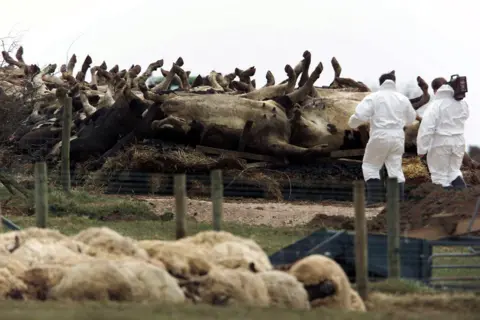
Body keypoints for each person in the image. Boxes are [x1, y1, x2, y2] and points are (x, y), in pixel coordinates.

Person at [348, 72, 417, 205]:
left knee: (370, 166)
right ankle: (398, 202)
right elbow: (411, 119)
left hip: (380, 135)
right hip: (398, 137)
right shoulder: (403, 99)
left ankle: (374, 199)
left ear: (381, 83)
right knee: (395, 169)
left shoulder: (374, 97)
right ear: (394, 82)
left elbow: (360, 115)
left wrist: (352, 124)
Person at [416, 79, 470, 189]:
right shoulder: (462, 103)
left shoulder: (435, 105)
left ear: (435, 90)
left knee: (439, 177)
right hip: (459, 142)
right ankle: (461, 197)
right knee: (454, 171)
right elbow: (466, 116)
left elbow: (426, 129)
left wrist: (422, 149)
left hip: (440, 143)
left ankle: (445, 203)